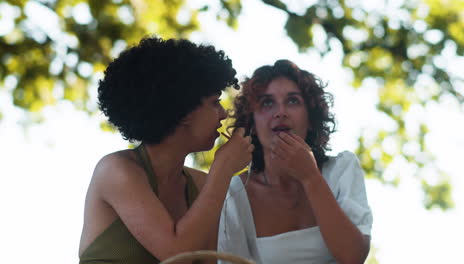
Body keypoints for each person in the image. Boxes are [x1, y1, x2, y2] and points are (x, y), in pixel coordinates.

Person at [78, 36, 254, 264]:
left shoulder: (201, 186)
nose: (223, 114)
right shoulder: (117, 171)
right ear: (184, 109)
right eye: (214, 102)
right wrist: (223, 168)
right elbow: (177, 254)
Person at [217, 60, 373, 264]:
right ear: (252, 123)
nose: (280, 112)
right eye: (267, 103)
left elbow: (353, 257)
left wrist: (310, 178)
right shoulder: (235, 195)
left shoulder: (341, 170)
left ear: (311, 118)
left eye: (292, 101)